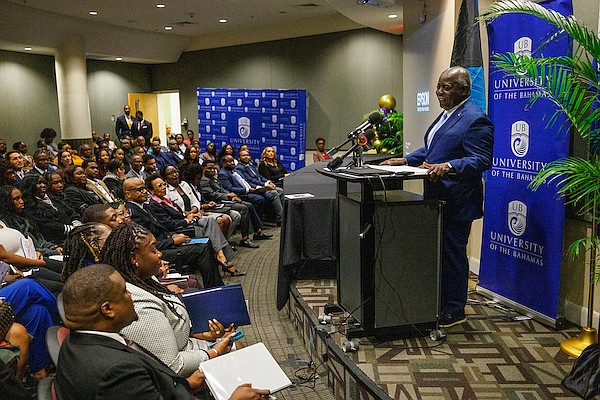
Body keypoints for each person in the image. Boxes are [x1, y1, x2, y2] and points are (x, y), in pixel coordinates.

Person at [380, 66, 494, 328]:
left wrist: (449, 166)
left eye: (445, 87)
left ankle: (455, 310)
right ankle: (440, 301)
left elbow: (481, 159)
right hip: (438, 197)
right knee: (440, 253)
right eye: (438, 86)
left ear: (463, 90)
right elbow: (434, 149)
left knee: (453, 254)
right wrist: (407, 159)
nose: (438, 92)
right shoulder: (448, 115)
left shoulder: (476, 119)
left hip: (458, 200)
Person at [56, 263, 268, 400]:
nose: (132, 295)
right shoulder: (116, 372)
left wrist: (186, 384)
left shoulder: (76, 342)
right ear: (107, 309)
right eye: (125, 292)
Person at [100, 225, 237, 374]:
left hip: (186, 346)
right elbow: (173, 365)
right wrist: (215, 352)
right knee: (239, 350)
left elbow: (168, 329)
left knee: (236, 343)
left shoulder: (145, 278)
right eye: (153, 251)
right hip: (177, 372)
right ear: (134, 258)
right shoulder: (135, 302)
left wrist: (204, 335)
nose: (159, 255)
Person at [123, 177, 225, 288]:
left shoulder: (144, 207)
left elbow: (160, 230)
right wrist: (173, 240)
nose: (144, 192)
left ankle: (216, 285)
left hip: (166, 242)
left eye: (144, 188)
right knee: (202, 249)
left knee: (207, 242)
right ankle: (214, 287)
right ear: (128, 194)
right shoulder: (133, 213)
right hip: (160, 250)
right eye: (139, 190)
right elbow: (146, 244)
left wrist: (173, 236)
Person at [146, 174, 243, 276]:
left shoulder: (165, 200)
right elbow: (168, 224)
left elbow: (179, 214)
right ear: (151, 191)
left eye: (163, 184)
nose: (163, 187)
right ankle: (223, 259)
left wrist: (191, 215)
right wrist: (187, 221)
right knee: (211, 231)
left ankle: (221, 256)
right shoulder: (155, 204)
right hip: (179, 230)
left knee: (209, 222)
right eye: (159, 186)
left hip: (186, 223)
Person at [201, 160, 271, 247]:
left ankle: (257, 232)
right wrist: (228, 196)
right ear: (203, 168)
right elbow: (212, 195)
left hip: (224, 200)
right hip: (216, 203)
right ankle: (245, 239)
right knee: (244, 208)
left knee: (249, 205)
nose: (212, 170)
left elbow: (222, 190)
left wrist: (231, 195)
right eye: (209, 168)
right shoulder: (204, 180)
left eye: (213, 168)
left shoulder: (213, 178)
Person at [18, 174, 79, 247]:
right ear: (31, 186)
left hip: (73, 233)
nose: (43, 185)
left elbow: (71, 212)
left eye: (44, 182)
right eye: (39, 183)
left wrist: (76, 223)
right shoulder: (30, 206)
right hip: (57, 241)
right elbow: (47, 226)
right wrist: (72, 229)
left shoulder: (52, 198)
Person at [236, 150, 284, 223]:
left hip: (261, 185)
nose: (246, 157)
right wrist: (265, 185)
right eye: (243, 155)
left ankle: (277, 215)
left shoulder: (250, 165)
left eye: (247, 155)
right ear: (239, 158)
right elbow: (250, 180)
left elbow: (259, 176)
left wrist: (268, 182)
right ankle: (280, 219)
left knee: (280, 190)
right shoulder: (240, 168)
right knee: (274, 193)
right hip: (256, 188)